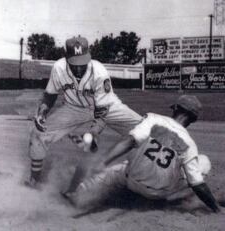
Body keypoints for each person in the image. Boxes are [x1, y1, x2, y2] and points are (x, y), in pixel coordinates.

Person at [66, 95, 222, 214]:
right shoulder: (190, 145)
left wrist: (103, 161)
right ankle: (178, 199)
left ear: (175, 109)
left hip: (131, 180)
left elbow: (129, 141)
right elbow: (198, 185)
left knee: (116, 170)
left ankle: (77, 194)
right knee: (203, 162)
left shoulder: (153, 119)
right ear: (193, 119)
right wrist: (216, 208)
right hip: (159, 193)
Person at [26, 35, 142, 188]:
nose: (79, 67)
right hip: (74, 108)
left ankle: (150, 174)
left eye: (83, 62)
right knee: (37, 133)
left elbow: (102, 111)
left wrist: (93, 132)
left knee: (145, 129)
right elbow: (50, 94)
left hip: (108, 107)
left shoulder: (98, 71)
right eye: (75, 63)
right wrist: (42, 113)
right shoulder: (59, 68)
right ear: (66, 58)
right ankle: (34, 181)